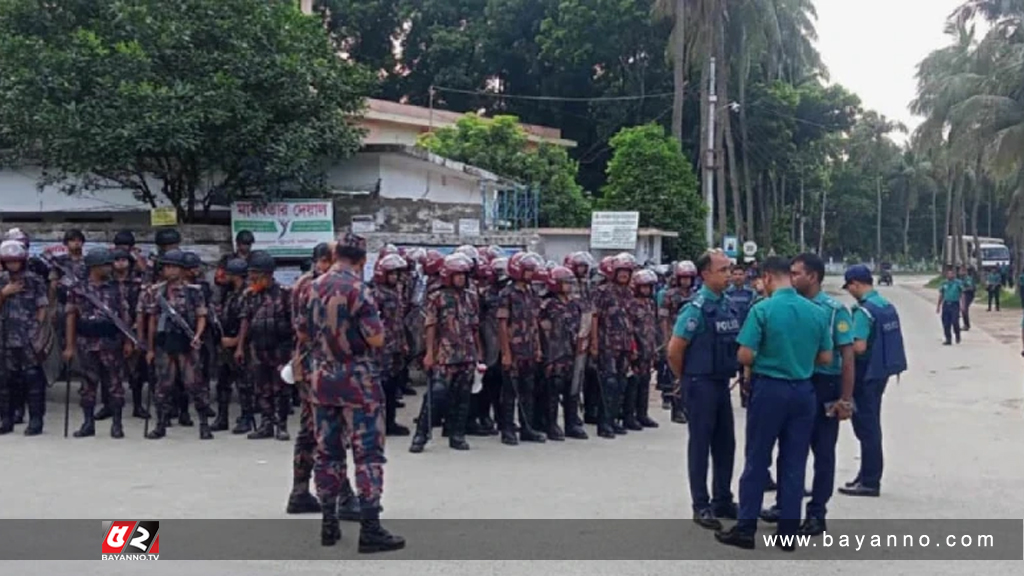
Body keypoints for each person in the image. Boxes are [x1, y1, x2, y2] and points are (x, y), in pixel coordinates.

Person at [715, 256, 832, 551]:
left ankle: (745, 528)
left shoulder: (762, 309)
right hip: (804, 391)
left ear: (767, 277)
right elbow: (827, 357)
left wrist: (768, 356)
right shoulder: (816, 312)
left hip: (770, 390)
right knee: (794, 461)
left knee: (757, 459)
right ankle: (788, 533)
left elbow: (744, 355)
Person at [303, 233, 404, 552]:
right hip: (358, 380)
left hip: (322, 378)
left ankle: (328, 524)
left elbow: (303, 331)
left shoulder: (314, 287)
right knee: (368, 454)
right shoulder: (361, 289)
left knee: (327, 453)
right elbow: (375, 338)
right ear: (362, 260)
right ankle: (370, 528)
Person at [760, 254, 855, 536]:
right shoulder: (785, 306)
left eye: (796, 273)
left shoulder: (834, 310)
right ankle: (784, 506)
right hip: (796, 381)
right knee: (788, 447)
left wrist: (845, 399)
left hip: (825, 383)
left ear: (813, 277)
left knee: (823, 451)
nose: (791, 277)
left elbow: (847, 357)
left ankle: (816, 513)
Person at [667, 251, 739, 531]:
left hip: (720, 382)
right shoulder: (695, 308)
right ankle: (701, 504)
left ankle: (723, 499)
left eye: (729, 269)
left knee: (726, 444)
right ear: (705, 274)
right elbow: (675, 350)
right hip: (700, 383)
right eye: (722, 270)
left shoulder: (727, 305)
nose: (729, 274)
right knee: (700, 445)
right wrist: (685, 379)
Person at [839, 264, 908, 498]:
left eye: (849, 287)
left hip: (865, 374)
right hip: (882, 371)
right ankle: (866, 474)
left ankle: (870, 480)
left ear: (855, 284)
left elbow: (858, 346)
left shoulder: (863, 311)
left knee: (866, 428)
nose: (849, 292)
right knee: (871, 425)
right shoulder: (886, 306)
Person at [412, 253, 481, 452]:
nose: (461, 278)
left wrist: (479, 353)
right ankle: (421, 434)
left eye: (464, 275)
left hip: (467, 354)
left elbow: (474, 327)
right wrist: (429, 354)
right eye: (457, 275)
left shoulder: (471, 297)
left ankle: (457, 435)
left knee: (463, 397)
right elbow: (431, 327)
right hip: (445, 355)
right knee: (436, 395)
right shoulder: (437, 297)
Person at [62, 248, 133, 439]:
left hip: (111, 341)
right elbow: (71, 316)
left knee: (115, 384)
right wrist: (69, 346)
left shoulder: (116, 288)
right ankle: (88, 423)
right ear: (94, 266)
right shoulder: (78, 289)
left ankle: (117, 424)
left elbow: (124, 316)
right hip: (86, 341)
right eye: (105, 264)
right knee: (88, 384)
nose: (109, 268)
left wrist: (128, 341)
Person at [144, 250, 210, 440]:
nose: (170, 270)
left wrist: (197, 336)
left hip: (186, 342)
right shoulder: (157, 292)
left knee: (194, 384)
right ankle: (160, 424)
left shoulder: (193, 292)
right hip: (165, 342)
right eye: (166, 267)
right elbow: (152, 321)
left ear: (182, 270)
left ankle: (204, 424)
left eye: (174, 267)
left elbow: (201, 316)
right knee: (163, 385)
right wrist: (150, 348)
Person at [237, 250, 293, 441]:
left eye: (255, 273)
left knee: (281, 389)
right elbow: (245, 320)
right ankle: (266, 424)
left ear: (267, 274)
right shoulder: (250, 296)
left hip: (280, 349)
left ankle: (281, 426)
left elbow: (294, 322)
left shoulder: (285, 294)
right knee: (261, 388)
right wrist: (240, 346)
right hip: (258, 348)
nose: (251, 277)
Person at [497, 251, 547, 445]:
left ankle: (527, 428)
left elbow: (534, 322)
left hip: (529, 349)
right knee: (509, 393)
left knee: (528, 391)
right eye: (527, 270)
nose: (530, 273)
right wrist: (506, 353)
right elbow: (502, 324)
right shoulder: (507, 294)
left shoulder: (531, 292)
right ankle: (507, 429)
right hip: (514, 350)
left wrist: (538, 348)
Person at [0, 240, 49, 435]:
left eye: (16, 261)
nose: (13, 265)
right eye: (8, 261)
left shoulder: (34, 280)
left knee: (33, 378)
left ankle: (36, 420)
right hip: (4, 337)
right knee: (7, 380)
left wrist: (37, 330)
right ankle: (7, 418)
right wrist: (4, 293)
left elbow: (42, 308)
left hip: (28, 337)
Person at [539, 266, 588, 440]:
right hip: (554, 354)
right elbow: (543, 332)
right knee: (553, 391)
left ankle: (571, 424)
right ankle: (551, 425)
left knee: (572, 390)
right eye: (565, 282)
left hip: (572, 353)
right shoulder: (547, 305)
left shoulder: (574, 304)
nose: (569, 286)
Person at [591, 253, 637, 438]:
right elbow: (594, 317)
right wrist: (594, 343)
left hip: (624, 345)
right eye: (621, 272)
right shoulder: (602, 291)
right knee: (608, 384)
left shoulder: (629, 293)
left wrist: (633, 346)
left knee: (621, 383)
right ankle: (604, 423)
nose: (624, 275)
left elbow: (631, 322)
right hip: (607, 345)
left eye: (627, 272)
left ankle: (613, 420)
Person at [370, 253, 412, 437]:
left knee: (392, 386)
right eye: (391, 274)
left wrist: (403, 343)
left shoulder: (396, 291)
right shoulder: (374, 293)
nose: (395, 277)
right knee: (380, 386)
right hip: (380, 348)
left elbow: (398, 321)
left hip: (395, 345)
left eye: (397, 274)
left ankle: (390, 422)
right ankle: (377, 424)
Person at [658, 260, 698, 423]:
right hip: (675, 338)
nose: (686, 281)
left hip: (692, 340)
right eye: (683, 278)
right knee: (676, 376)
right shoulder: (669, 295)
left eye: (689, 278)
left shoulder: (697, 295)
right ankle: (677, 409)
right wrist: (666, 339)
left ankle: (688, 407)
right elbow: (663, 318)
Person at [111, 248, 148, 419]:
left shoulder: (138, 283)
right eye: (116, 259)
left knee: (136, 371)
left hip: (134, 329)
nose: (120, 263)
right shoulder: (107, 283)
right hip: (110, 331)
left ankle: (138, 405)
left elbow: (143, 309)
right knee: (110, 371)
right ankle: (108, 405)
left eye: (124, 260)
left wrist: (135, 331)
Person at [626, 269, 660, 430]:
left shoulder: (651, 304)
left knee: (645, 382)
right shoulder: (631, 304)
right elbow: (629, 328)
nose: (646, 290)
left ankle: (642, 414)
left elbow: (653, 326)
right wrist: (632, 348)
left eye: (649, 287)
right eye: (643, 287)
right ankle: (629, 415)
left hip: (648, 348)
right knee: (633, 383)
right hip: (636, 348)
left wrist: (654, 349)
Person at [937, 267, 963, 345]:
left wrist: (962, 305)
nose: (950, 275)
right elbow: (941, 295)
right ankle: (948, 339)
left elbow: (962, 294)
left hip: (955, 304)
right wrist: (938, 306)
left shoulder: (958, 283)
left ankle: (957, 334)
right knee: (946, 323)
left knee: (955, 321)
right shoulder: (944, 283)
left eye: (951, 273)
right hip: (946, 304)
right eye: (948, 274)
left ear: (954, 275)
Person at [959, 266, 976, 330]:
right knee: (963, 310)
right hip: (963, 295)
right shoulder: (961, 279)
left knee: (964, 309)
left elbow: (971, 288)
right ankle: (966, 324)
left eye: (962, 271)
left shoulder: (968, 279)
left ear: (965, 272)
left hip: (968, 295)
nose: (960, 272)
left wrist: (963, 290)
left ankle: (966, 325)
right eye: (960, 271)